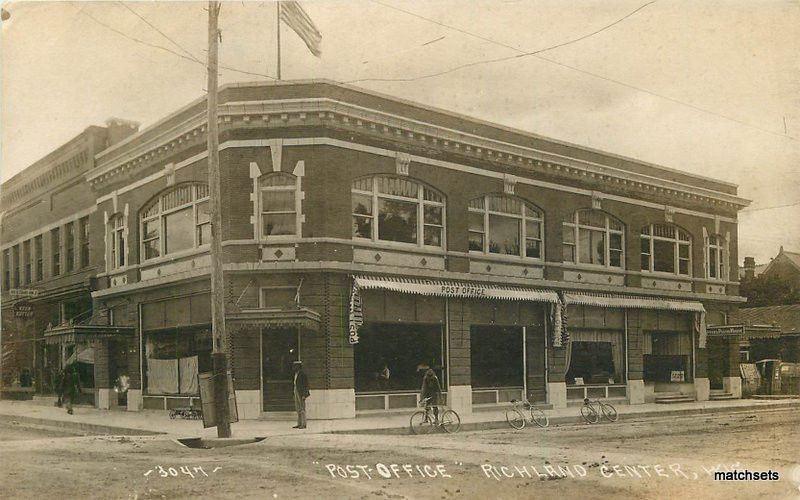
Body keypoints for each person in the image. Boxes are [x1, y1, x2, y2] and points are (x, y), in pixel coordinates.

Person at [292, 360, 310, 429]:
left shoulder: (303, 374)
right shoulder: (295, 374)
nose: (293, 368)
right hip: (296, 391)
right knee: (298, 408)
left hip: (301, 393)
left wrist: (304, 395)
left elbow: (306, 385)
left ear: (298, 367)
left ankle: (303, 424)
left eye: (295, 366)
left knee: (302, 409)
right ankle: (299, 423)